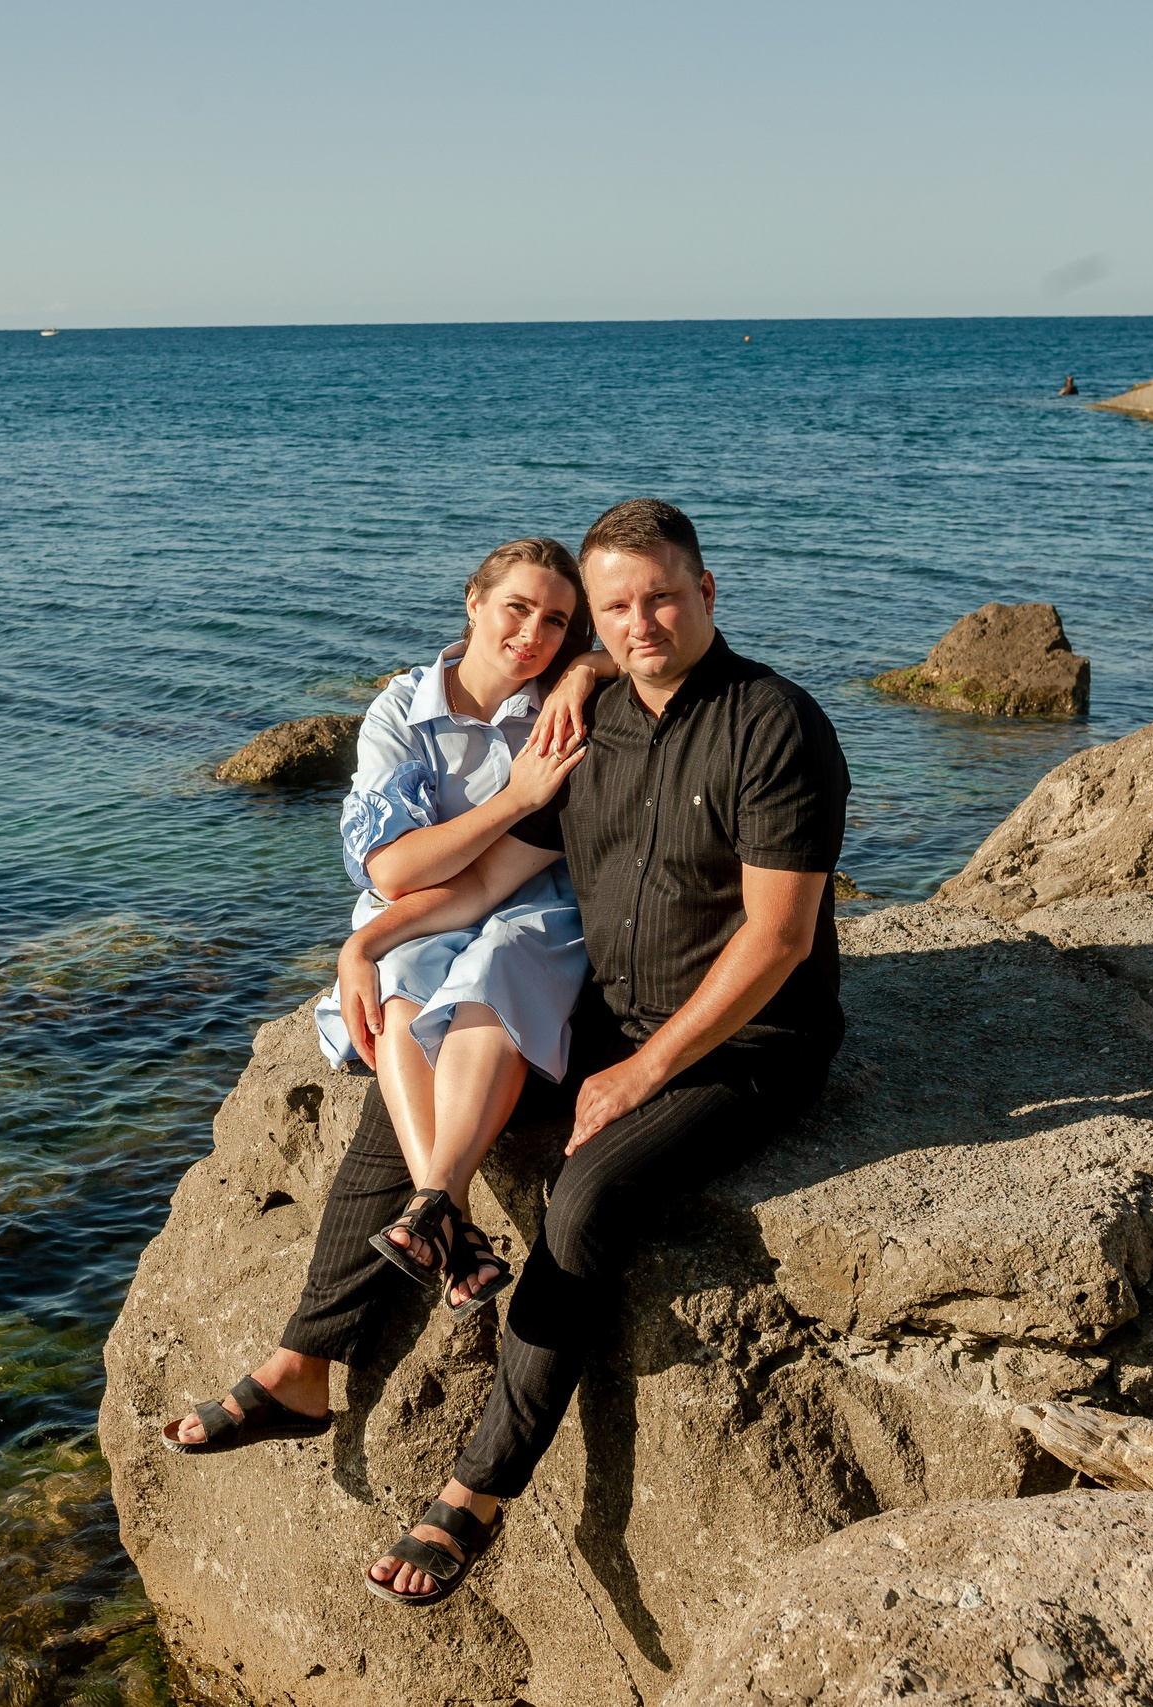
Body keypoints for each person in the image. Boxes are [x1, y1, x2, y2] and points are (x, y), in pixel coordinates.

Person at [333, 498, 849, 1605]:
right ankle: (328, 1329)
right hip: (610, 1017)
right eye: (614, 607)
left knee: (583, 1196)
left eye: (660, 596)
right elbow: (484, 881)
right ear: (590, 631)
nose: (639, 622)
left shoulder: (776, 725)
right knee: (415, 1051)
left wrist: (640, 1071)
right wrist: (366, 945)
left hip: (747, 1043)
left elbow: (779, 938)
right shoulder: (584, 726)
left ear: (706, 593)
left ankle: (477, 1489)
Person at [159, 536, 615, 1456]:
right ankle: (415, 1243)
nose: (532, 633)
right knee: (407, 991)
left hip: (520, 911)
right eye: (515, 608)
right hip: (414, 925)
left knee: (483, 974)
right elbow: (393, 866)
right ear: (473, 602)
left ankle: (332, 1328)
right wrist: (511, 795)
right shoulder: (404, 708)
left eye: (556, 620)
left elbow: (637, 650)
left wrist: (584, 670)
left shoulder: (568, 701)